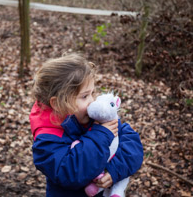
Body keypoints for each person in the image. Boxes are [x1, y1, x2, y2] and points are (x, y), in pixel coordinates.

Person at [29, 53, 143, 197]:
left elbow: (132, 143)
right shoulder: (46, 140)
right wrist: (100, 134)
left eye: (92, 93)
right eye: (84, 96)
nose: (92, 101)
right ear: (58, 103)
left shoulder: (92, 117)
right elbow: (71, 172)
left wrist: (114, 171)